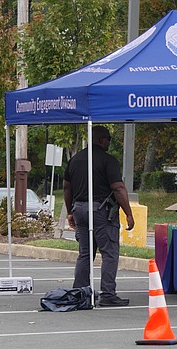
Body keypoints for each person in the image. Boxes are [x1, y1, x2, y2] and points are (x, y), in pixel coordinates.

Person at [63, 125, 135, 307]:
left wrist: (70, 211)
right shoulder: (108, 160)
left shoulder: (75, 160)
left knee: (85, 254)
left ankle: (79, 292)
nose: (109, 143)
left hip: (79, 209)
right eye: (108, 139)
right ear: (102, 140)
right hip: (101, 211)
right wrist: (129, 213)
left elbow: (66, 188)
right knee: (109, 253)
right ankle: (108, 294)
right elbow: (118, 188)